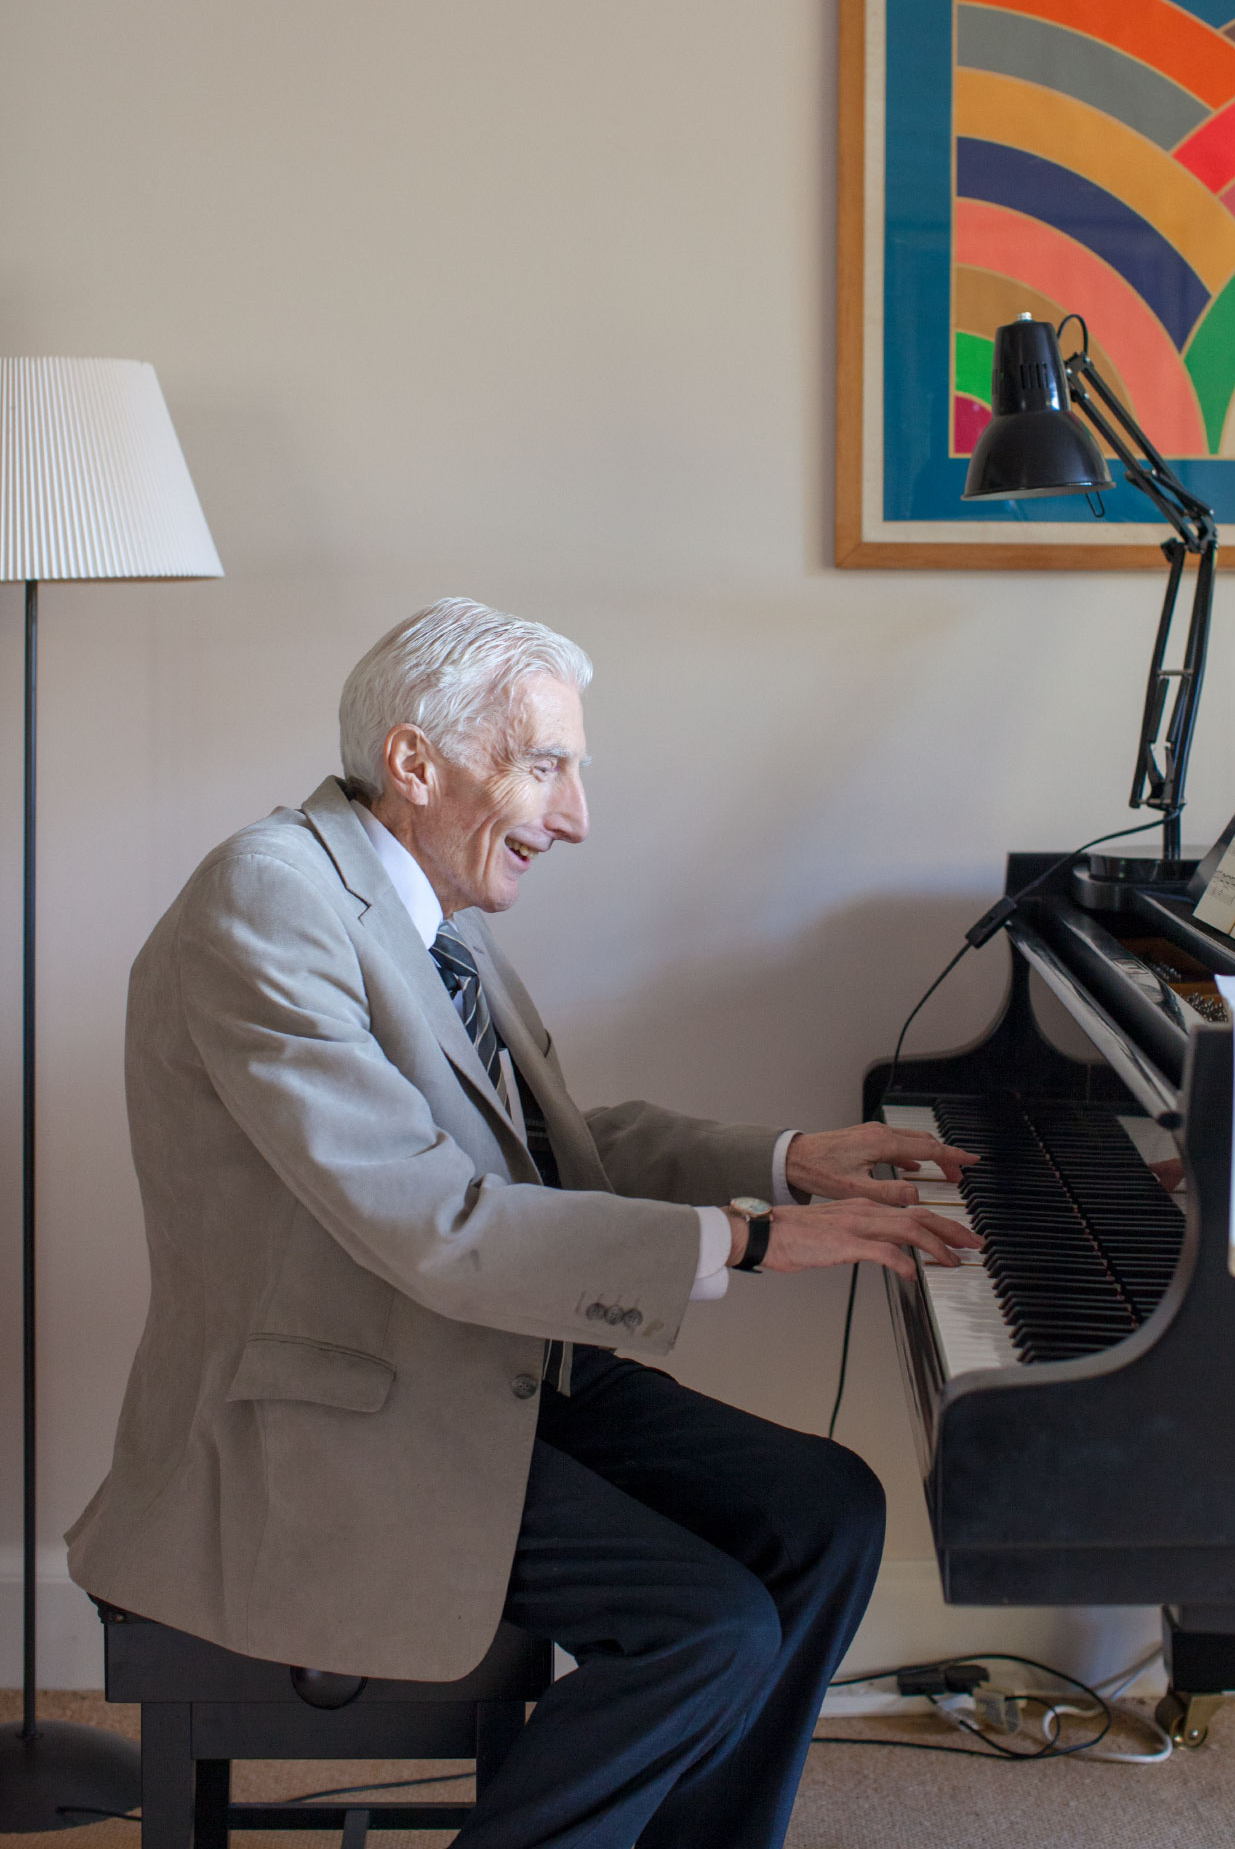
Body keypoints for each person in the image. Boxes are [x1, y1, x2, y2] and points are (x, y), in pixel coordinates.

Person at [68, 598, 981, 1849]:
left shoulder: (415, 898)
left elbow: (541, 1144)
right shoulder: (266, 901)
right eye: (543, 765)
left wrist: (787, 1162)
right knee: (706, 1628)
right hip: (333, 1418)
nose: (575, 815)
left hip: (483, 1367)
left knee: (826, 1508)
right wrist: (750, 1238)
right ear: (414, 762)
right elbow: (435, 1221)